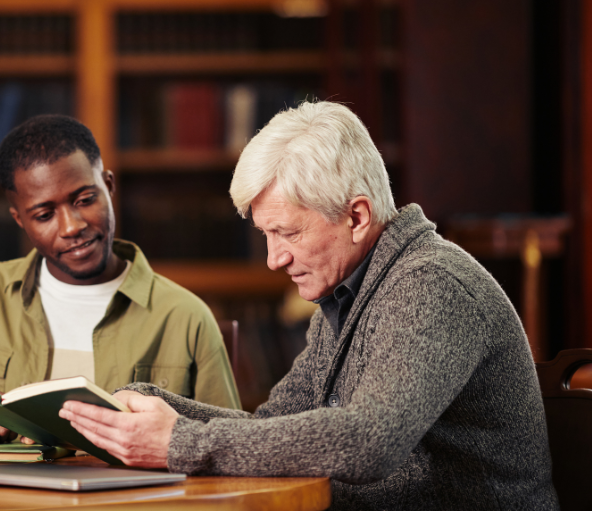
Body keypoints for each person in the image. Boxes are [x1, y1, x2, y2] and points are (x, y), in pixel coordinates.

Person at [59, 101, 558, 510]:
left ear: (357, 216)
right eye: (266, 235)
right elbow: (270, 429)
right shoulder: (348, 290)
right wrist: (153, 403)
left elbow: (369, 441)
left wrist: (178, 441)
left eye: (288, 233)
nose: (275, 259)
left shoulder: (432, 286)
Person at [0, 114, 240, 445]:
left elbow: (227, 446)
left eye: (84, 199)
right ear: (19, 221)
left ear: (109, 186)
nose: (72, 226)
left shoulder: (185, 317)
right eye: (44, 215)